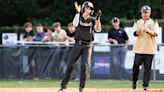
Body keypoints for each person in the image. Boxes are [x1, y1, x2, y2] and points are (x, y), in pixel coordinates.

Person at [58, 1, 102, 92]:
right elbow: (74, 24)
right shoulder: (79, 17)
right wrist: (77, 12)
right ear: (83, 9)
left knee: (84, 66)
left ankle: (82, 88)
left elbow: (98, 29)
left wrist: (97, 19)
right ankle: (63, 87)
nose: (88, 10)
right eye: (86, 8)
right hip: (78, 44)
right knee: (70, 64)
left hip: (88, 45)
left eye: (90, 8)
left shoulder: (93, 19)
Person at [132, 5, 159, 90]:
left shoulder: (154, 22)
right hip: (139, 49)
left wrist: (147, 30)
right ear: (141, 13)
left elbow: (155, 33)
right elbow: (135, 33)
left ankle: (145, 85)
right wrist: (139, 30)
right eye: (143, 12)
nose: (144, 14)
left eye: (146, 12)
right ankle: (134, 81)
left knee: (147, 69)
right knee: (136, 66)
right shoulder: (138, 21)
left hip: (149, 49)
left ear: (149, 13)